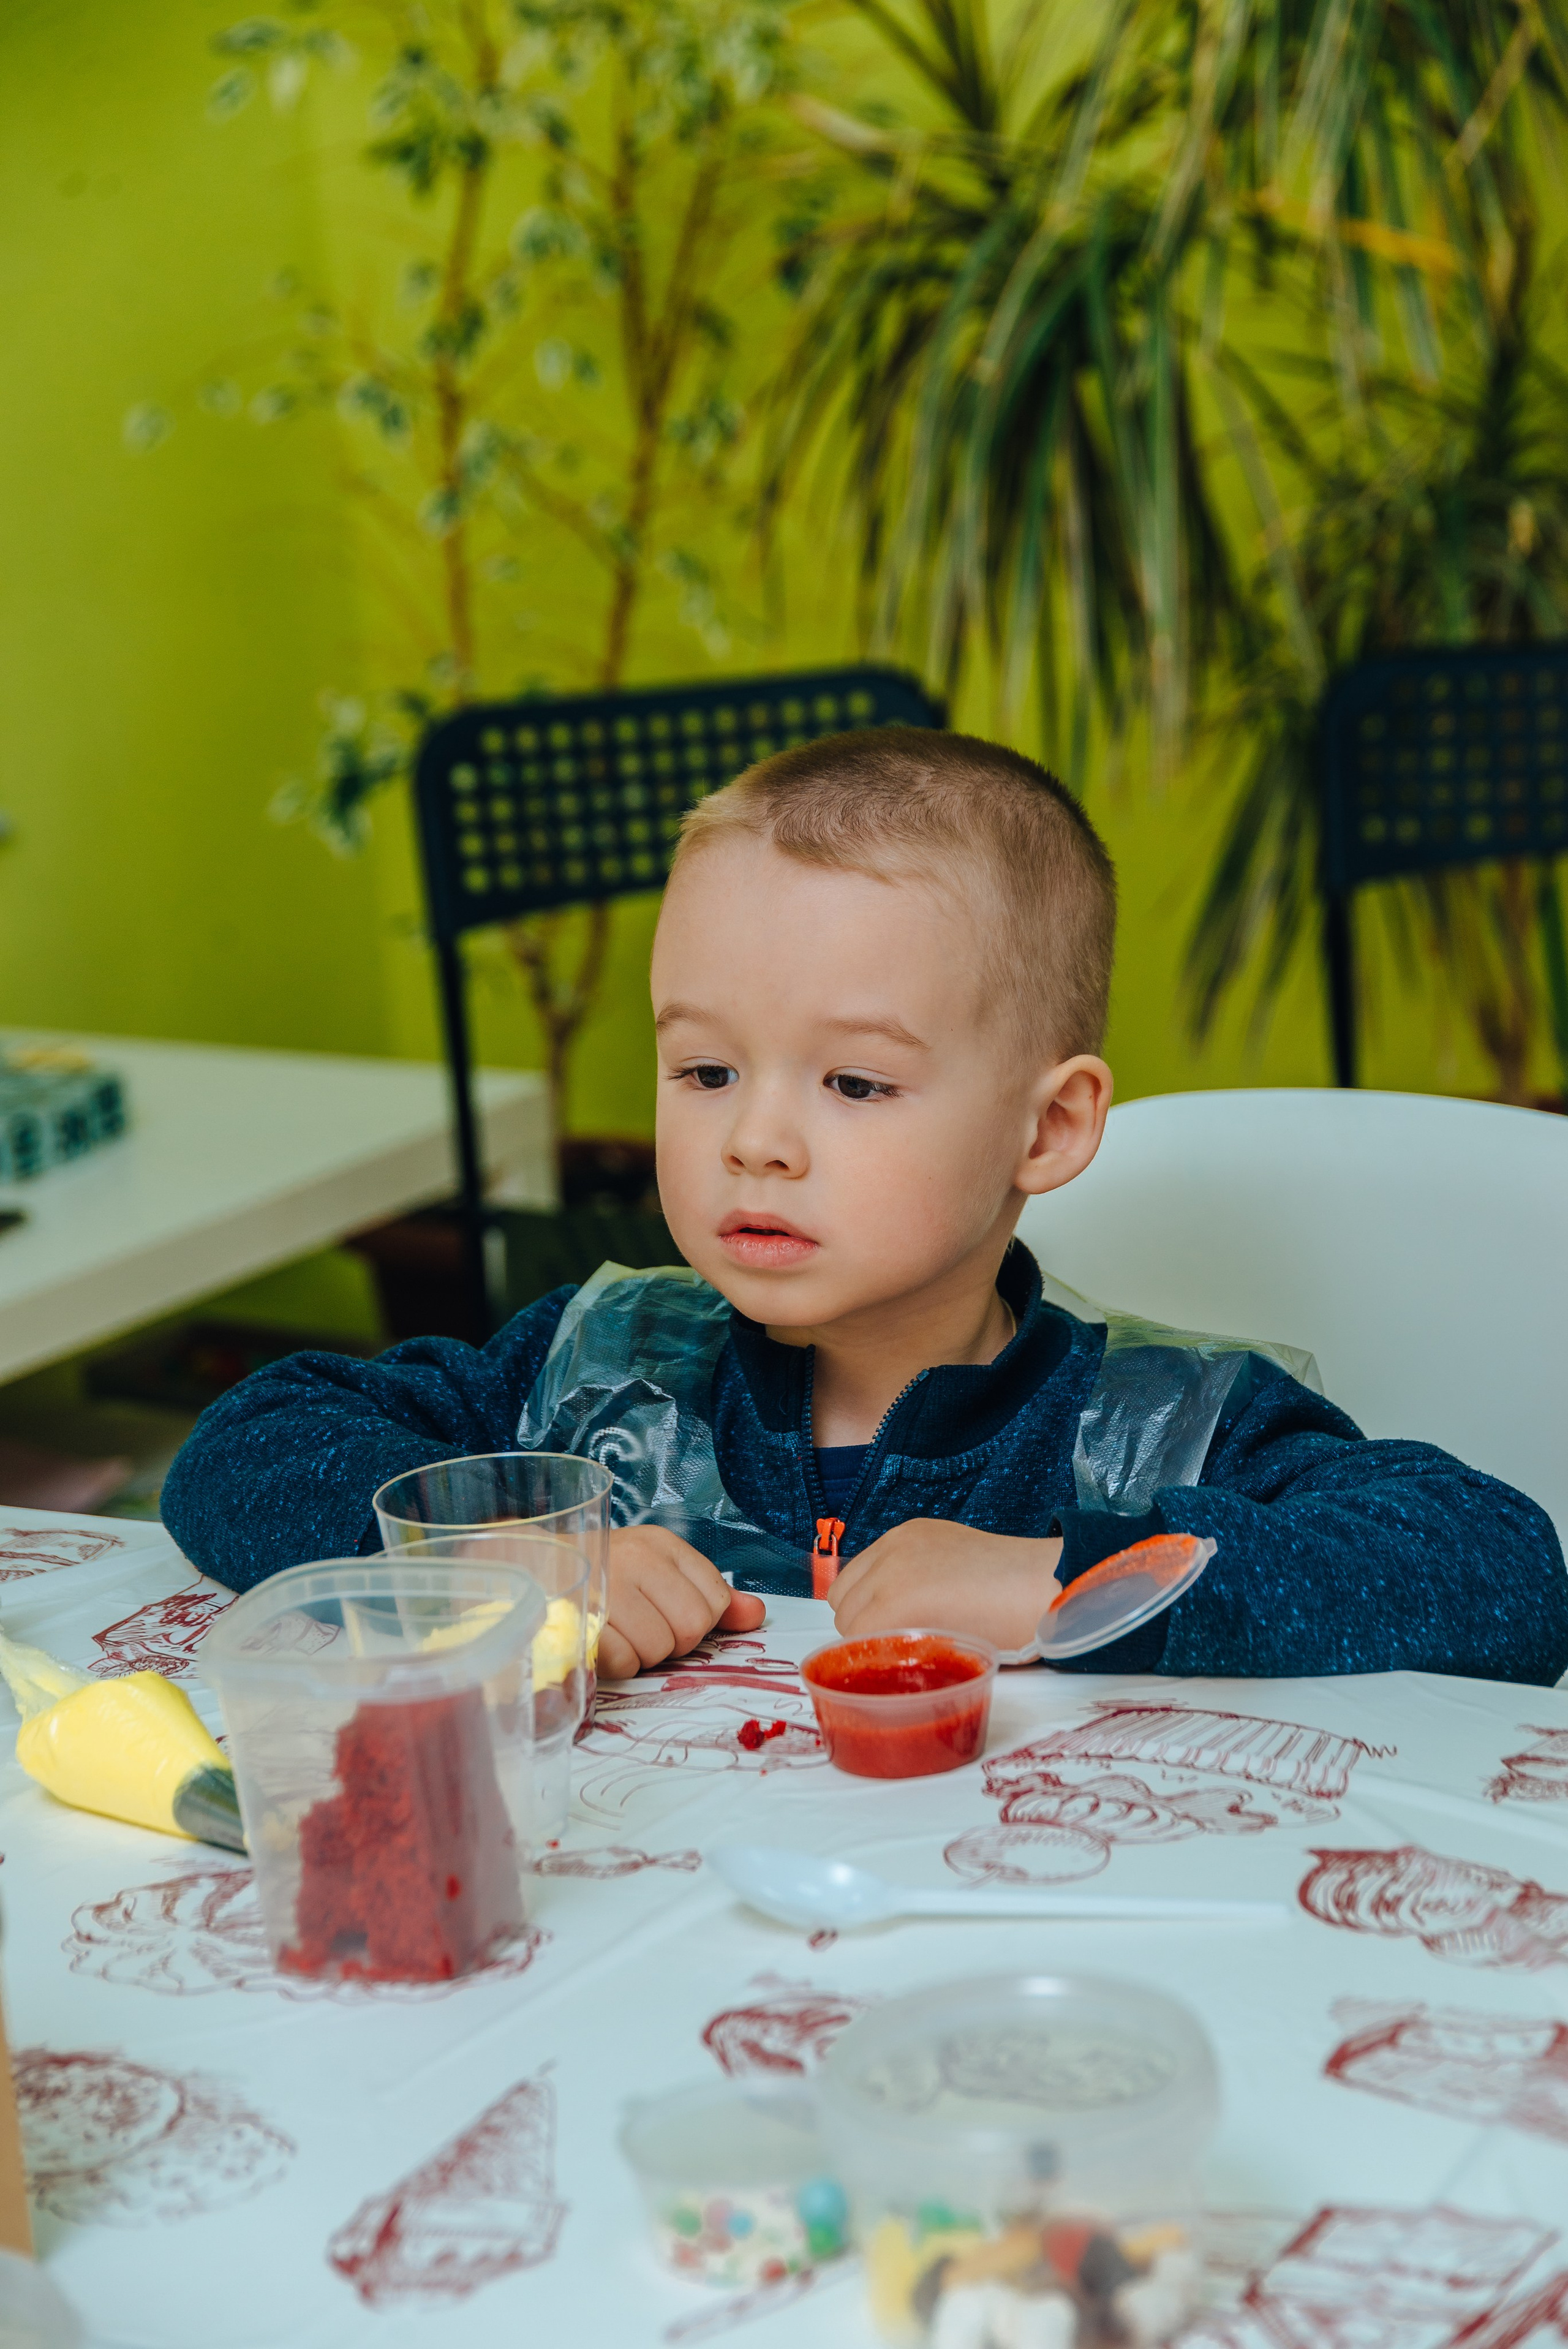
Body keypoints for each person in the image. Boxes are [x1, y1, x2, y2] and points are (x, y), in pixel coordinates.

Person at [162, 730, 1568, 1686]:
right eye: (704, 1067)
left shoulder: (1160, 1424)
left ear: (1047, 1126)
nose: (757, 1141)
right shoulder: (589, 1375)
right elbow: (242, 1446)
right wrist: (494, 1558)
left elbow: (1499, 1571)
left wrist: (1062, 1581)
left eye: (852, 1082)